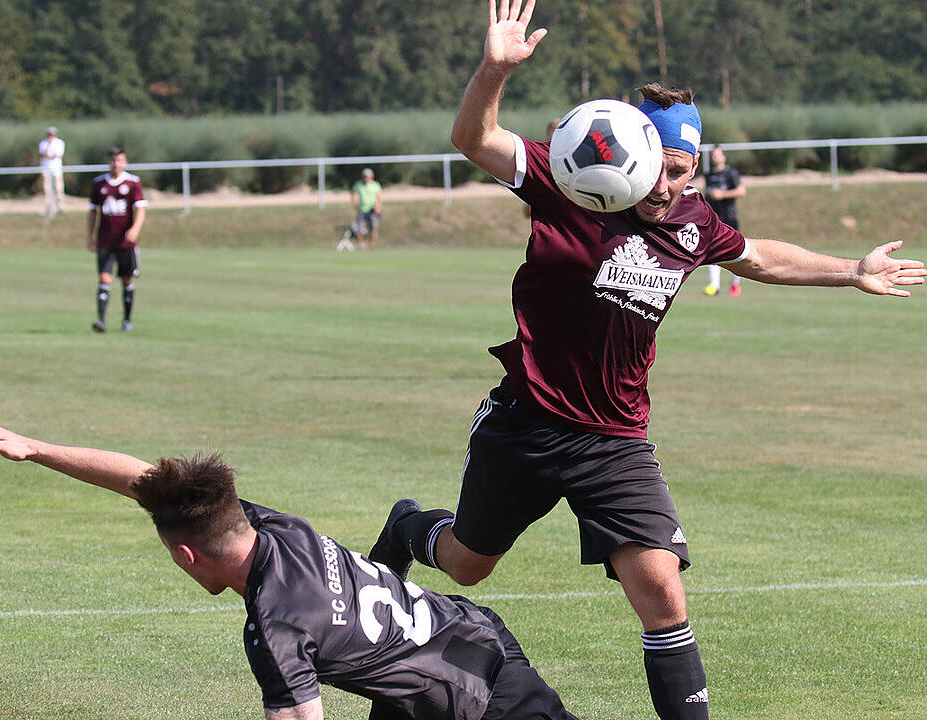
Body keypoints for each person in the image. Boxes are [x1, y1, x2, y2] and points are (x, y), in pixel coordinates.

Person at [370, 2, 926, 720]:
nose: (667, 187)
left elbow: (756, 257)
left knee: (663, 591)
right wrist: (494, 71)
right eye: (657, 169)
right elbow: (473, 138)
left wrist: (849, 268)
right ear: (627, 156)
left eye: (682, 170)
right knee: (469, 564)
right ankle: (409, 524)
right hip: (526, 423)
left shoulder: (694, 219)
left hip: (615, 440)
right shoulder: (569, 183)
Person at [0, 425, 580, 720]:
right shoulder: (270, 527)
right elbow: (150, 481)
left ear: (185, 556)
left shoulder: (274, 626)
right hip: (444, 657)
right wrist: (35, 450)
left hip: (481, 691)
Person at [87, 147, 147, 333]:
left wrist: (135, 229)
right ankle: (101, 321)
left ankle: (127, 320)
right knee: (104, 279)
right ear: (109, 162)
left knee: (126, 280)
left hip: (125, 242)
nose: (116, 164)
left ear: (125, 162)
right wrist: (90, 236)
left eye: (120, 160)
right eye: (113, 160)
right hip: (105, 240)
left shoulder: (132, 182)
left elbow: (140, 209)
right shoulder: (98, 184)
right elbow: (92, 212)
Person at [702, 146, 746, 296]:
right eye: (713, 155)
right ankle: (714, 285)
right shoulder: (708, 175)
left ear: (723, 156)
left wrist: (723, 194)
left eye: (718, 154)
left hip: (730, 218)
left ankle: (735, 285)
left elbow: (741, 190)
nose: (715, 157)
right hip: (714, 219)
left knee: (735, 252)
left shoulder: (730, 173)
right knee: (712, 251)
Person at [38, 126, 66, 218]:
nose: (51, 136)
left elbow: (57, 155)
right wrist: (49, 149)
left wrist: (50, 154)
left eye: (52, 134)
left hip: (56, 170)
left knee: (58, 189)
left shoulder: (60, 143)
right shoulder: (43, 143)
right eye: (49, 134)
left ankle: (61, 208)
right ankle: (48, 208)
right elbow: (44, 154)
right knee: (47, 190)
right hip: (46, 170)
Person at [351, 168, 382, 249]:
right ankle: (361, 244)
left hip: (372, 209)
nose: (366, 178)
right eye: (364, 176)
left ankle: (372, 244)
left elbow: (379, 197)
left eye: (367, 176)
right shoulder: (358, 185)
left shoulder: (375, 185)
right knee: (360, 228)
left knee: (374, 227)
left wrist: (378, 207)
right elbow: (353, 194)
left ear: (371, 177)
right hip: (362, 209)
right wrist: (356, 204)